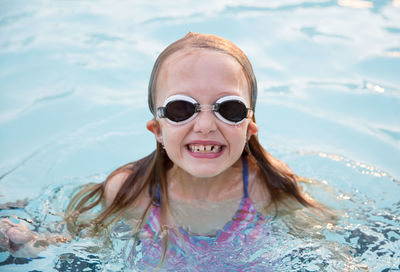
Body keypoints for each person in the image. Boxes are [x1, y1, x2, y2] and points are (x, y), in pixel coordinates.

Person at [0, 32, 324, 270]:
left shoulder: (269, 186)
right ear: (157, 130)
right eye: (182, 109)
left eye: (230, 109)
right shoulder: (129, 192)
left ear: (249, 126)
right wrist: (28, 242)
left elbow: (323, 245)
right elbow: (76, 242)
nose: (206, 125)